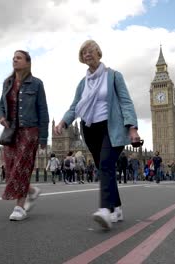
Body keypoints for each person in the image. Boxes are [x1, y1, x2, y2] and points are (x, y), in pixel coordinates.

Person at [54, 40, 140, 229]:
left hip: (112, 128)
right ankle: (116, 207)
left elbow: (126, 102)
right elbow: (75, 106)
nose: (87, 54)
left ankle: (105, 210)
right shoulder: (82, 83)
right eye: (84, 52)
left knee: (107, 164)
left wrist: (132, 127)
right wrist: (63, 122)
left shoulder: (114, 76)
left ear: (99, 53)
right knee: (104, 168)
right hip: (90, 129)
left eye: (90, 50)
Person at [0, 50, 49, 221]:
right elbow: (1, 105)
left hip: (30, 130)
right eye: (13, 57)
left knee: (22, 166)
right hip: (11, 131)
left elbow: (43, 110)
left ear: (27, 62)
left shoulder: (37, 84)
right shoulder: (7, 83)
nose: (15, 60)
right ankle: (32, 190)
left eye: (18, 58)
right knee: (10, 168)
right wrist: (2, 116)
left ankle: (19, 207)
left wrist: (43, 137)